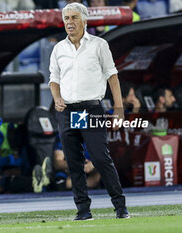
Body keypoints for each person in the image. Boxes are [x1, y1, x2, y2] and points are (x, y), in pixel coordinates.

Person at [49, 2, 129, 220]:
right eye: (66, 18)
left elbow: (112, 76)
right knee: (73, 161)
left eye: (74, 18)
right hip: (66, 110)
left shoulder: (99, 45)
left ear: (84, 21)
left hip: (91, 108)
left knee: (100, 158)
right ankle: (83, 210)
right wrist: (56, 98)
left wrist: (118, 108)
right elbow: (53, 80)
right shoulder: (58, 49)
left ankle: (120, 206)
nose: (69, 22)